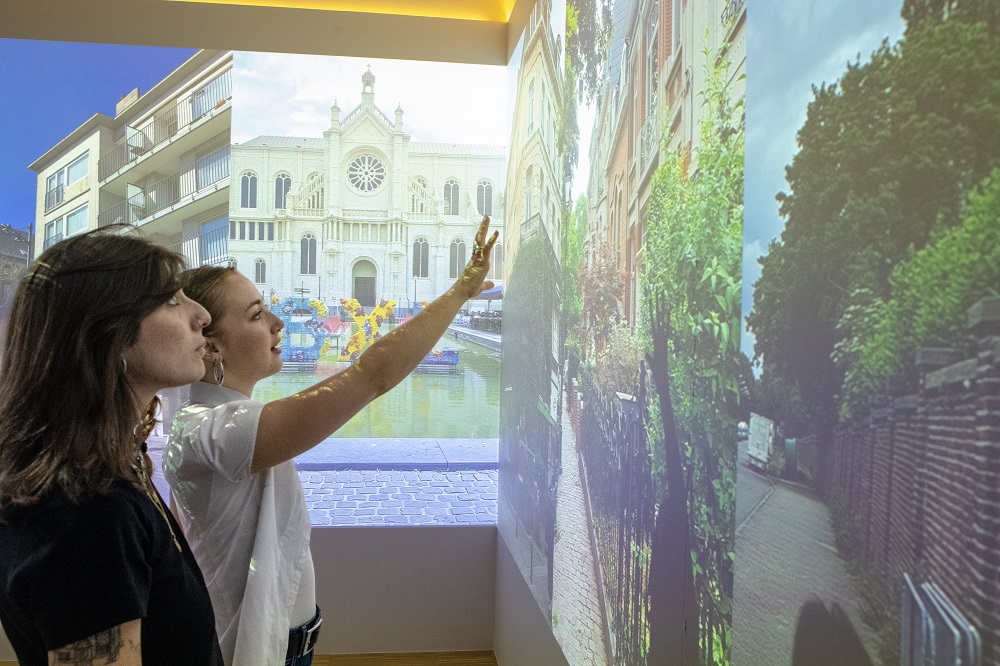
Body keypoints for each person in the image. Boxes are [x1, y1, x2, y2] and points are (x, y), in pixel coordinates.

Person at [164, 217, 499, 665]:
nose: (278, 323)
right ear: (212, 347)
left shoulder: (213, 424)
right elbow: (371, 375)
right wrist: (459, 292)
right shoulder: (212, 431)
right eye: (257, 314)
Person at [0, 229, 224, 665]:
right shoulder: (87, 510)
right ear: (110, 333)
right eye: (171, 301)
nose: (201, 315)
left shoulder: (99, 473)